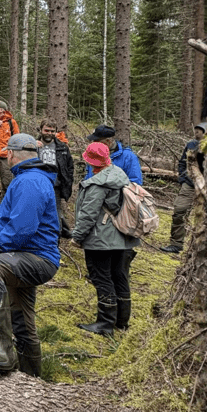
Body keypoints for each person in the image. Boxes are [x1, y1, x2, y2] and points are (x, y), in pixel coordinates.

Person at [0, 133, 60, 377]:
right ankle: (32, 377)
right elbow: (12, 220)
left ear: (10, 154)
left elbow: (22, 230)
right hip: (23, 255)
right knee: (22, 320)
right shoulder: (28, 179)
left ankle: (4, 349)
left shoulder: (30, 181)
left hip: (35, 258)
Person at [72, 142, 139, 336]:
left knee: (102, 278)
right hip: (122, 237)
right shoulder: (119, 174)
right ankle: (122, 321)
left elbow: (87, 215)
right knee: (120, 277)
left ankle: (105, 324)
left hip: (101, 240)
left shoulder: (98, 182)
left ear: (90, 161)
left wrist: (77, 237)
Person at [160, 122, 207, 254]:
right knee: (179, 210)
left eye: (199, 131)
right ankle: (176, 244)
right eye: (195, 130)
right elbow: (182, 162)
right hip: (189, 185)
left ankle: (202, 249)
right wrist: (183, 178)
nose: (196, 133)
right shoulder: (191, 144)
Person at [37, 119, 75, 238]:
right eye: (46, 130)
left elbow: (69, 166)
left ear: (56, 132)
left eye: (52, 131)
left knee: (55, 212)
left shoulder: (62, 147)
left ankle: (56, 236)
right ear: (41, 130)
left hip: (55, 186)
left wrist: (67, 181)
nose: (49, 133)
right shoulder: (33, 145)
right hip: (37, 184)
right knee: (37, 209)